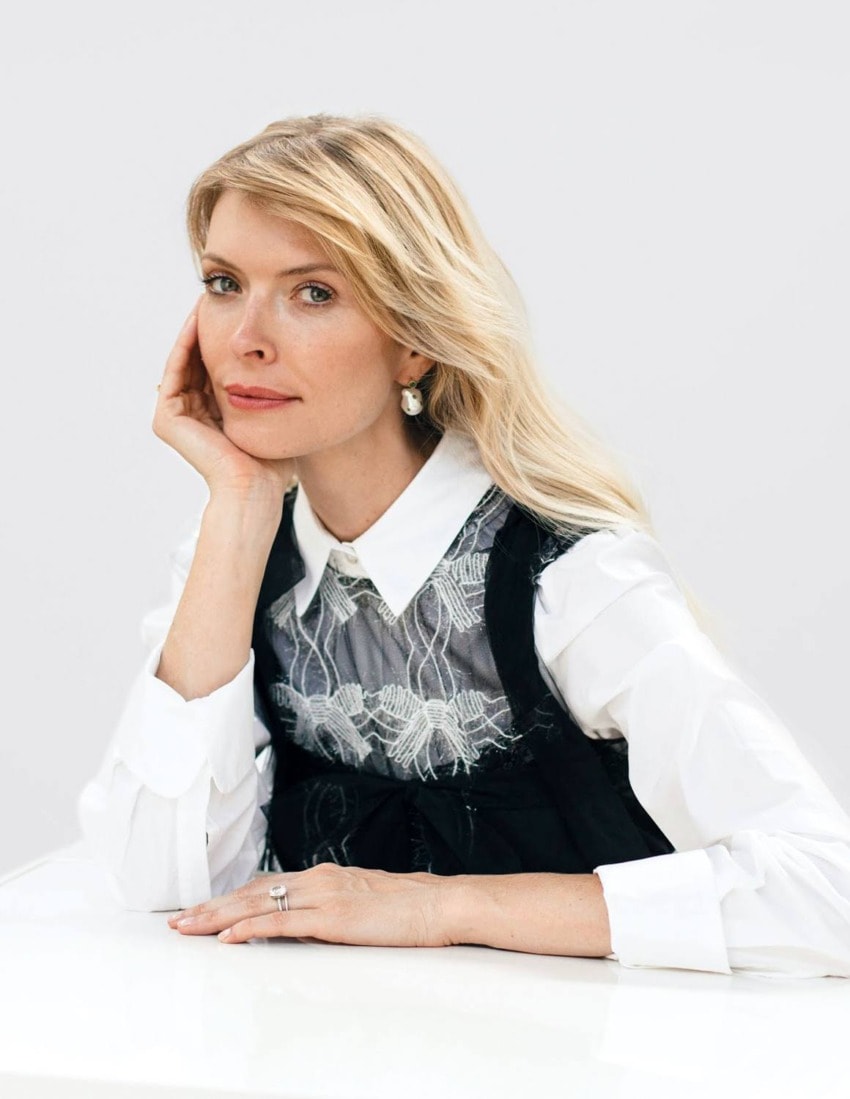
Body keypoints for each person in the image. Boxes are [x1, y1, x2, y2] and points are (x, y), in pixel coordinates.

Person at [78, 114, 850, 977]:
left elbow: (831, 888)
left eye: (313, 293)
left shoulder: (569, 574)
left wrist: (438, 907)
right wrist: (239, 500)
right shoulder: (241, 552)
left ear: (412, 340)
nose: (245, 338)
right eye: (224, 283)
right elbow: (160, 883)